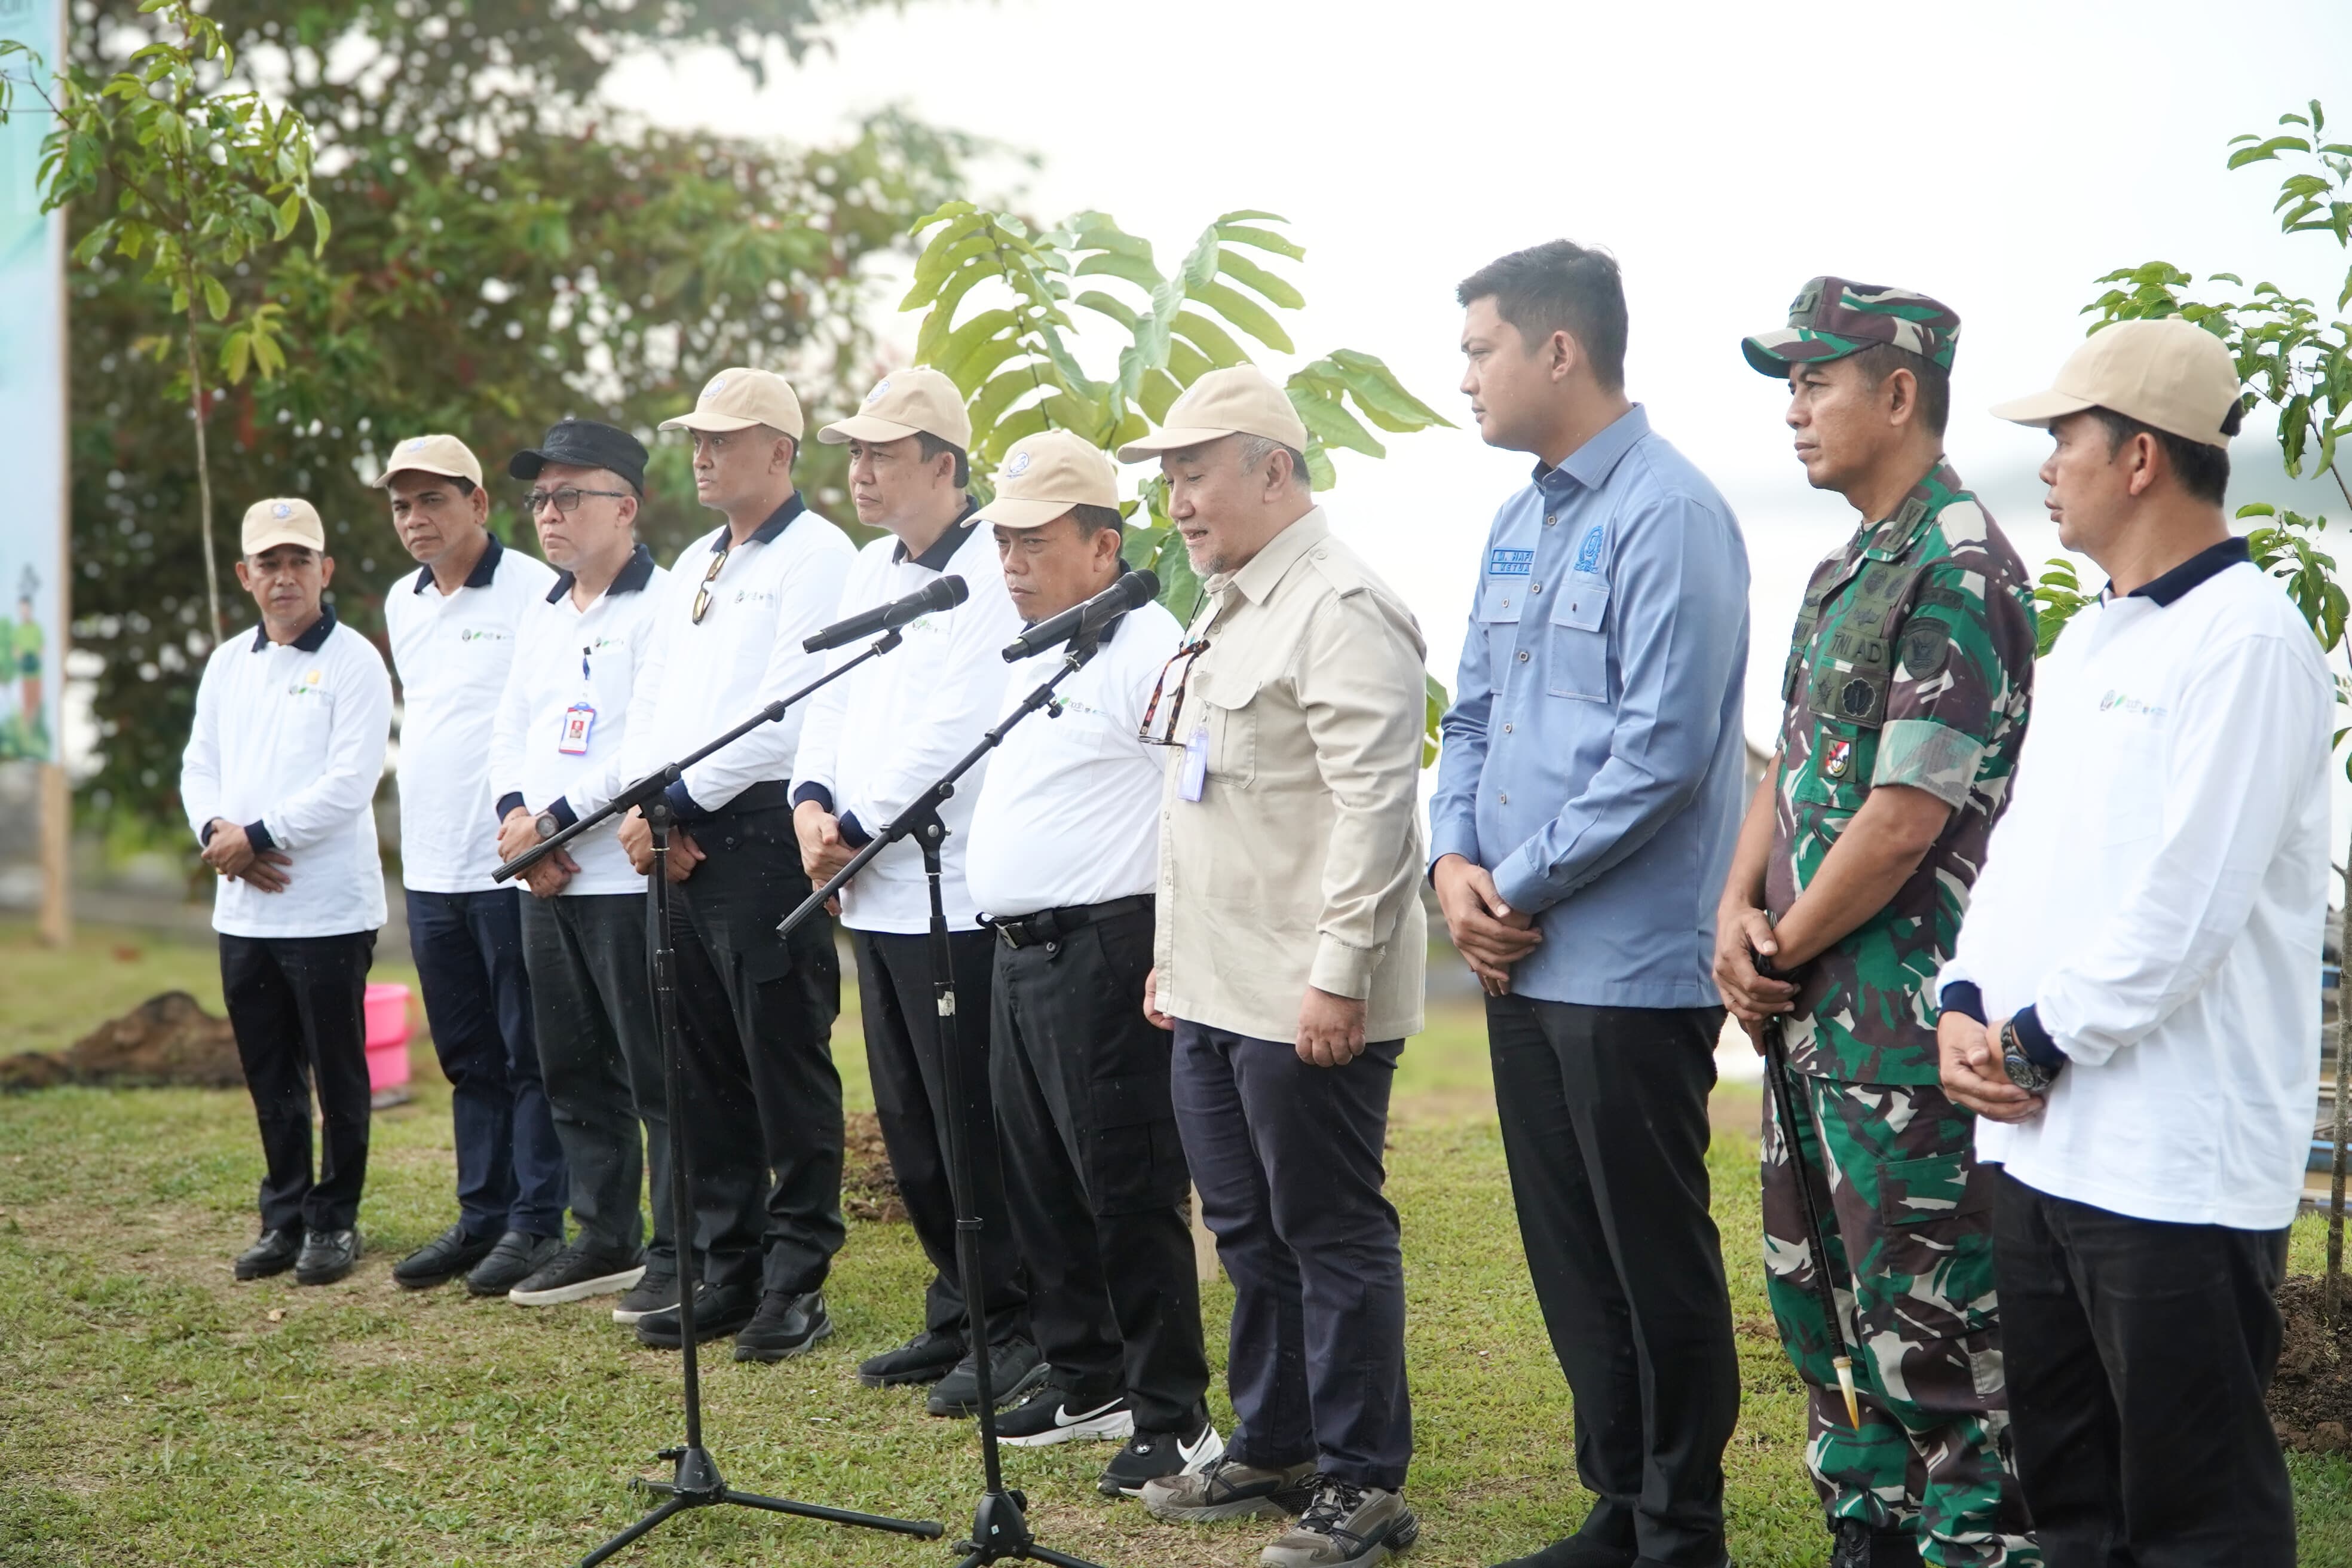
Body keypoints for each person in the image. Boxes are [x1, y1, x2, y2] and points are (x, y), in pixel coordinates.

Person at [1938, 318, 2322, 1568]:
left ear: (2142, 457)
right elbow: (2021, 849)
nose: (2048, 466)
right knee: (2074, 1500)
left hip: (2171, 1161)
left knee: (2198, 1514)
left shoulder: (2249, 640)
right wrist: (1964, 996)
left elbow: (2190, 905)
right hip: (2045, 1146)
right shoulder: (2092, 635)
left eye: (2066, 439)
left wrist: (2036, 1040)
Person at [1427, 240, 1748, 1568]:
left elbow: (1662, 753)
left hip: (1623, 966)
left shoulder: (1673, 514)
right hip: (1518, 956)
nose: (1465, 378)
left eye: (1480, 350)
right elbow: (1473, 716)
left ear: (1560, 350)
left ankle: (1680, 1528)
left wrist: (1512, 884)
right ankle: (1616, 1506)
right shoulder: (1519, 520)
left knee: (1652, 1256)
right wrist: (1452, 864)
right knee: (1570, 1253)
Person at [1717, 279, 2036, 1568]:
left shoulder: (1960, 566)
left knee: (1934, 1327)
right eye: (1790, 386)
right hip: (1807, 1023)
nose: (1793, 410)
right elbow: (1788, 767)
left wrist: (1779, 947)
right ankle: (1872, 1532)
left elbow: (1906, 817)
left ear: (1899, 394)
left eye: (1815, 382)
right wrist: (1734, 911)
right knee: (1824, 1314)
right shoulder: (1846, 566)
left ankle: (1977, 1545)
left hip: (1901, 1033)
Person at [1121, 366, 1428, 1568]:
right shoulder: (1230, 606)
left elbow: (1376, 812)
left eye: (1195, 474)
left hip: (1306, 990)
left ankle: (1363, 1481)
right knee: (1248, 1233)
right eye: (1169, 479)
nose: (1178, 502)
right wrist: (1171, 961)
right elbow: (1196, 808)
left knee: (1330, 1233)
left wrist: (1340, 975)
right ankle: (1276, 1441)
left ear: (1273, 469)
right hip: (1215, 983)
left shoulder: (1340, 604)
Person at [553, 376, 856, 1361]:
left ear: (781, 451)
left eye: (725, 438)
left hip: (761, 833)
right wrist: (651, 805)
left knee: (782, 1063)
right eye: (697, 438)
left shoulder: (821, 557)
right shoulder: (697, 558)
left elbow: (791, 714)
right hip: (675, 831)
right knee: (701, 1068)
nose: (702, 453)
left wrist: (677, 803)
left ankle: (796, 1280)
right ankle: (728, 1268)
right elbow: (655, 706)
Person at [960, 430, 1218, 1497]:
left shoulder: (1148, 646)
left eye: (1035, 542)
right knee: (1041, 1180)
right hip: (1022, 953)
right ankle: (1089, 1377)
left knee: (1126, 1185)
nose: (1011, 563)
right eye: (1003, 543)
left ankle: (1174, 1415)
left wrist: (1174, 948)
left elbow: (1193, 804)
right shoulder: (1046, 646)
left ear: (1105, 546)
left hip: (1108, 948)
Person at [791, 366, 1036, 1416]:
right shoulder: (868, 569)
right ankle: (958, 1307)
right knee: (911, 1125)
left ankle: (1016, 1322)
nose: (860, 472)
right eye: (854, 454)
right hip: (870, 890)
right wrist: (809, 803)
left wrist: (851, 829)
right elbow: (829, 700)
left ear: (943, 464)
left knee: (973, 1122)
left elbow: (958, 724)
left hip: (956, 893)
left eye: (882, 455)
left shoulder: (990, 567)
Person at [376, 434, 570, 1299]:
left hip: (505, 862)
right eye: (402, 506)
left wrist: (537, 826)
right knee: (465, 1055)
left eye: (433, 501)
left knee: (530, 1051)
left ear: (479, 504)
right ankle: (481, 1215)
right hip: (429, 867)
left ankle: (537, 1223)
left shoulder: (535, 588)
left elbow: (542, 716)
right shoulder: (403, 600)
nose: (416, 519)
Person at [488, 421, 676, 1316]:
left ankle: (681, 1251)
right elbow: (512, 726)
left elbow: (650, 743)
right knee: (570, 1070)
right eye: (540, 499)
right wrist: (515, 819)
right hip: (546, 877)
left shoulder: (664, 607)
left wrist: (557, 823)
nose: (549, 514)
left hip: (622, 879)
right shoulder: (545, 609)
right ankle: (604, 1238)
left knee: (658, 1075)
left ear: (626, 506)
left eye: (569, 496)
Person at [181, 497, 393, 1287]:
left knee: (336, 1074)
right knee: (269, 1071)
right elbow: (199, 764)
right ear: (246, 576)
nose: (285, 576)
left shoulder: (355, 662)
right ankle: (284, 1216)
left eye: (300, 560)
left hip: (328, 907)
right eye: (269, 563)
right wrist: (219, 834)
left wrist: (259, 836)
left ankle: (335, 1221)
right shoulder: (228, 663)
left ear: (324, 570)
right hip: (244, 908)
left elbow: (350, 782)